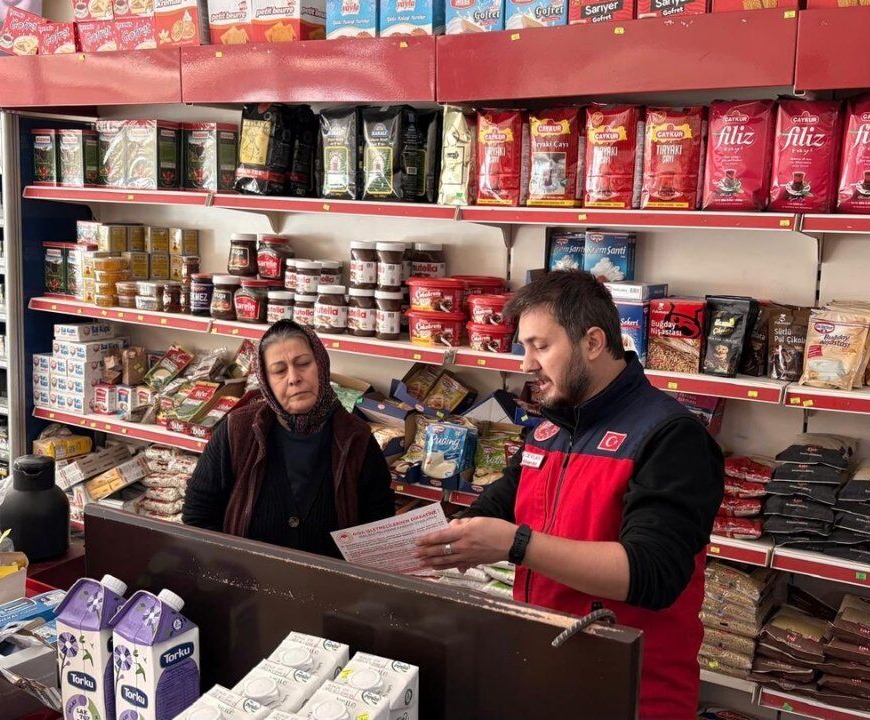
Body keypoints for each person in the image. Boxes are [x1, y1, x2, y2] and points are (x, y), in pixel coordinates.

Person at [414, 270, 723, 719]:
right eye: (524, 347)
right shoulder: (553, 425)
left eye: (541, 346)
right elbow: (504, 499)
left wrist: (514, 544)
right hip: (550, 669)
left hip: (634, 691)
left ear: (593, 342)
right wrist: (446, 537)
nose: (525, 364)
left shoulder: (671, 437)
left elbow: (652, 574)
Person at [183, 320, 395, 557]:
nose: (294, 378)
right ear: (266, 381)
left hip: (332, 590)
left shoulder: (356, 439)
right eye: (279, 370)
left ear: (321, 365)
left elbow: (379, 527)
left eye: (303, 364)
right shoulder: (237, 431)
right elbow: (197, 516)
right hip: (245, 585)